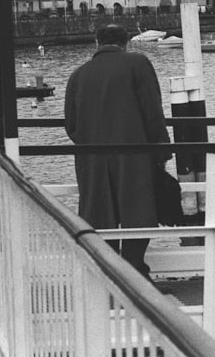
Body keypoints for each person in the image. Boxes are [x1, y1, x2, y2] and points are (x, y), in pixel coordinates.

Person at [64, 24, 170, 275]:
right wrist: (161, 152)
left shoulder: (79, 74)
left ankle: (108, 274)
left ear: (96, 42)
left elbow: (71, 124)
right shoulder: (138, 64)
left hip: (92, 157)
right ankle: (134, 271)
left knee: (100, 215)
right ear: (126, 43)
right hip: (133, 154)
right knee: (138, 211)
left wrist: (90, 142)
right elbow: (152, 111)